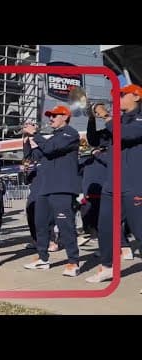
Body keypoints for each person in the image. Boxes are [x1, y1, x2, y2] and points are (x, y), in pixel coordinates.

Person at [86, 84, 142, 286]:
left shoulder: (139, 119)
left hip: (135, 184)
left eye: (121, 95)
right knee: (106, 228)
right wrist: (92, 118)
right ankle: (107, 268)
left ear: (136, 96)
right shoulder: (116, 121)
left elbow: (125, 135)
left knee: (139, 230)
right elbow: (94, 140)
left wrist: (104, 115)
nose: (116, 99)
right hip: (112, 185)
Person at [23, 105, 81, 277]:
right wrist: (26, 139)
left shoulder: (70, 133)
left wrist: (35, 134)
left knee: (65, 226)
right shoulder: (52, 137)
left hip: (62, 188)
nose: (51, 118)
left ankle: (73, 262)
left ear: (65, 116)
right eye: (50, 116)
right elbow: (34, 156)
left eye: (54, 115)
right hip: (45, 188)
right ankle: (43, 258)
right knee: (40, 224)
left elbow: (49, 148)